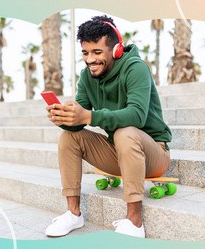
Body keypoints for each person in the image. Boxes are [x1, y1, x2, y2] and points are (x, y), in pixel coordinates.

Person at [44, 15, 171, 238]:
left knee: (126, 132)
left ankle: (134, 221)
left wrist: (89, 116)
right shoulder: (86, 76)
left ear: (116, 50)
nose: (90, 59)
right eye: (85, 53)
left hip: (153, 155)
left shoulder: (135, 68)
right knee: (68, 138)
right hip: (118, 154)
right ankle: (73, 214)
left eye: (97, 52)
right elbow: (79, 122)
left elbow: (137, 116)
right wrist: (65, 119)